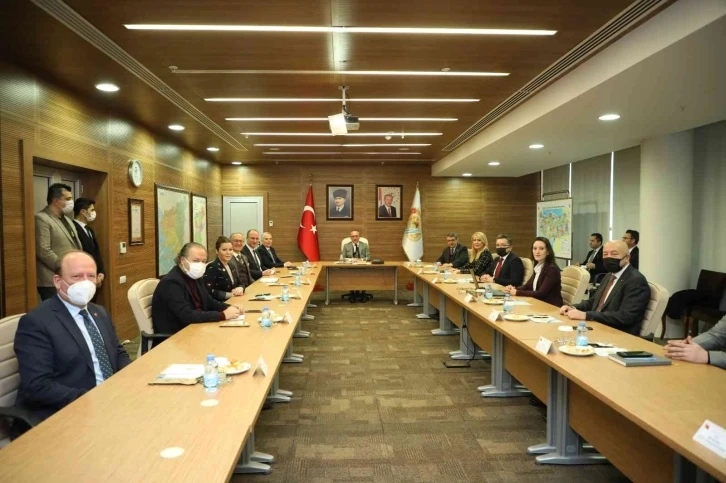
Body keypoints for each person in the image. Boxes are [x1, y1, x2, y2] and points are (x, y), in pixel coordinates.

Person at [14, 250, 130, 423]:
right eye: (77, 276)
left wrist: (128, 379)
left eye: (91, 276)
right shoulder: (36, 322)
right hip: (69, 410)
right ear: (57, 281)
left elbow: (118, 352)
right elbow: (37, 385)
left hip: (111, 399)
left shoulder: (100, 312)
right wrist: (94, 398)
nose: (85, 282)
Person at [560, 240, 650, 335]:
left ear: (627, 257)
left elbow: (625, 316)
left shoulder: (636, 280)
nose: (608, 257)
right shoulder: (609, 275)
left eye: (614, 254)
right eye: (605, 254)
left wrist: (586, 315)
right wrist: (573, 307)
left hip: (617, 333)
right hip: (597, 326)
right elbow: (593, 302)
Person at [152, 242, 241, 336]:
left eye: (203, 261)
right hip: (178, 335)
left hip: (197, 327)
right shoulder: (171, 282)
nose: (200, 265)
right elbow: (186, 315)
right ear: (182, 260)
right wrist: (222, 315)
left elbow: (209, 302)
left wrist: (229, 307)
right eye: (196, 261)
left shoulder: (195, 277)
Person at [36, 183, 81, 301]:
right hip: (52, 280)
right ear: (56, 201)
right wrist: (65, 268)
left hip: (71, 278)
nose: (71, 202)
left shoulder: (68, 220)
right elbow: (43, 251)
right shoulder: (41, 218)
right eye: (68, 199)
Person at [505, 237, 563, 307]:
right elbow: (527, 286)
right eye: (535, 248)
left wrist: (517, 292)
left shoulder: (552, 270)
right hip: (538, 304)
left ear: (548, 252)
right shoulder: (538, 266)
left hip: (551, 307)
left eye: (541, 249)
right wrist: (513, 289)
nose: (537, 252)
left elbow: (541, 293)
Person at [72, 198, 105, 293]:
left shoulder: (89, 230)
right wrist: (91, 276)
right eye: (92, 210)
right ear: (83, 212)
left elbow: (96, 253)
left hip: (95, 277)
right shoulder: (73, 228)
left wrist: (101, 272)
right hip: (83, 279)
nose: (94, 213)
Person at [203, 236, 246, 302]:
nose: (228, 253)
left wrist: (241, 288)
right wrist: (229, 295)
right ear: (217, 251)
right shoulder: (212, 267)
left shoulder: (231, 266)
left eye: (230, 249)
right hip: (220, 304)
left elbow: (240, 283)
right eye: (224, 250)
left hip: (234, 300)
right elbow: (208, 290)